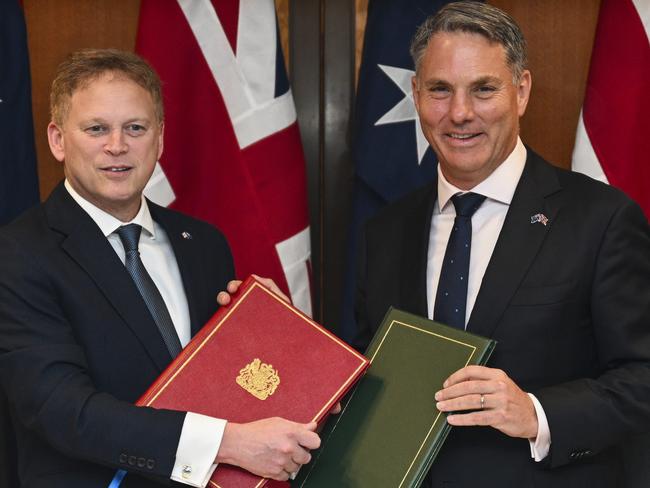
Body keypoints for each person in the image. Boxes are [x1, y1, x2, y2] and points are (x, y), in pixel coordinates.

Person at [352, 2, 650, 487]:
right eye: (440, 90)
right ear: (416, 95)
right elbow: (370, 374)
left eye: (484, 89)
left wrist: (536, 413)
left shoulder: (601, 219)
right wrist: (274, 332)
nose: (460, 114)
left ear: (522, 91)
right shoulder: (385, 229)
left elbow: (642, 376)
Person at [0, 49, 321, 488]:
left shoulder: (203, 243)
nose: (118, 146)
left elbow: (225, 380)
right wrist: (225, 443)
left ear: (160, 138)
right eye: (97, 129)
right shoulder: (17, 254)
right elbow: (62, 411)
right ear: (58, 139)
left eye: (136, 128)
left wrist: (271, 330)